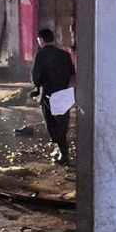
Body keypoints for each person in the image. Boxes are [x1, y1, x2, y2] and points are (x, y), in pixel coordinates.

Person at [30, 28, 75, 165]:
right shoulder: (64, 54)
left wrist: (38, 88)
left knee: (52, 124)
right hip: (64, 93)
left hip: (48, 94)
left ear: (41, 40)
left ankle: (63, 153)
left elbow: (36, 79)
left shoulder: (41, 55)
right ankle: (61, 150)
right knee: (62, 124)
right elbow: (72, 73)